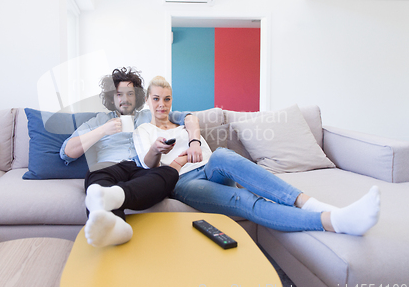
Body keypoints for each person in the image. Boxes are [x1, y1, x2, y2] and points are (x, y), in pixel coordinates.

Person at [133, 76, 381, 236]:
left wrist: (195, 139)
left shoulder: (181, 121)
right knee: (244, 199)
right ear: (148, 101)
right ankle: (333, 221)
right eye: (156, 99)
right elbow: (147, 165)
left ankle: (309, 202)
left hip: (211, 168)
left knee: (223, 155)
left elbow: (190, 118)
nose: (161, 105)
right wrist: (156, 149)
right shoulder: (144, 129)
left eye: (166, 99)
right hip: (185, 182)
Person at [60, 67, 203, 247]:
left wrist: (194, 141)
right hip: (109, 167)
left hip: (141, 170)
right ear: (112, 97)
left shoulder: (151, 115)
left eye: (130, 94)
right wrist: (103, 130)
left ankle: (116, 201)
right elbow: (67, 151)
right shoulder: (99, 121)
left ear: (137, 97)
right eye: (119, 94)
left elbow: (188, 118)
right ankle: (117, 228)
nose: (125, 99)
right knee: (96, 177)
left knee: (169, 173)